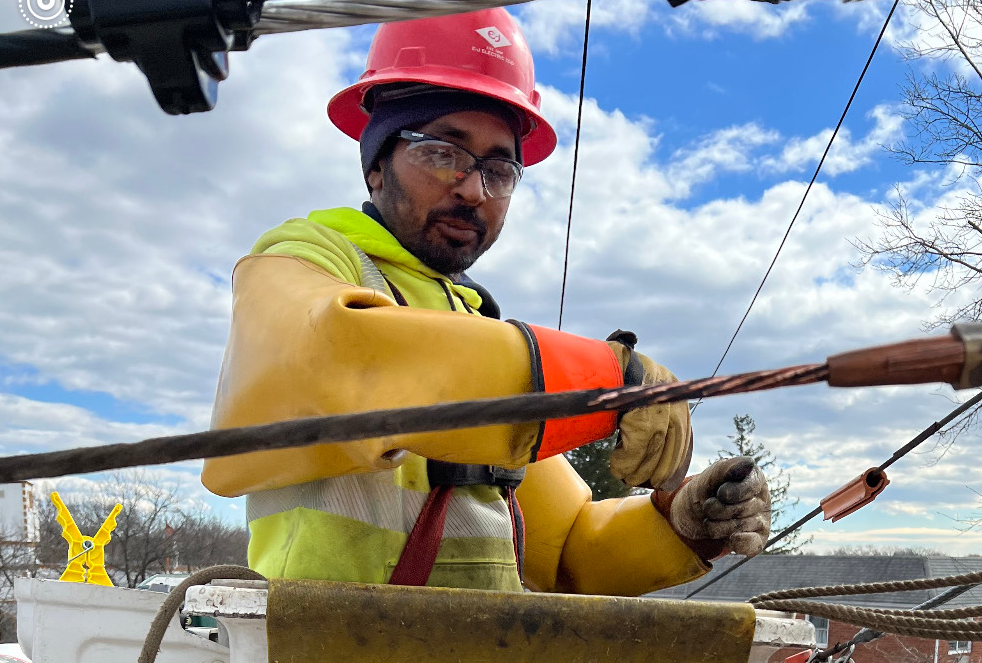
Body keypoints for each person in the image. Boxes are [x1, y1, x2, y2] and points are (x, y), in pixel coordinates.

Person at [201, 8, 770, 596]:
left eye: (499, 168)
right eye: (443, 152)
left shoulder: (477, 337)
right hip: (325, 646)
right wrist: (606, 379)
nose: (474, 189)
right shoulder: (308, 259)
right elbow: (338, 358)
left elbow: (567, 549)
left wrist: (679, 528)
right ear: (375, 167)